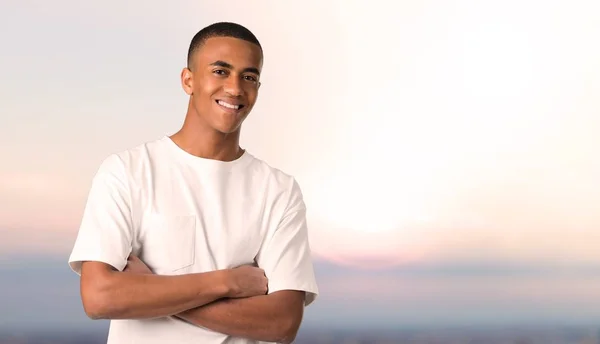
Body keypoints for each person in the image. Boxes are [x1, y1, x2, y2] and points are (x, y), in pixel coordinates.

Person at [67, 21, 319, 344]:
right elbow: (99, 297)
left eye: (249, 76)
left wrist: (154, 292)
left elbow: (282, 322)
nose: (235, 88)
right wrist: (228, 282)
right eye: (220, 71)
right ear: (188, 80)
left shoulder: (279, 191)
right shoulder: (126, 172)